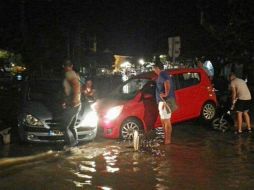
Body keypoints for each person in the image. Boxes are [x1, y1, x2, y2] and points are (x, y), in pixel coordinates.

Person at [153, 60, 176, 144]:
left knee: (166, 121)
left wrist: (166, 94)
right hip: (165, 101)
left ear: (157, 68)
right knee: (164, 121)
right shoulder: (164, 74)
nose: (154, 70)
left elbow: (167, 83)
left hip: (165, 101)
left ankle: (167, 140)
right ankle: (166, 139)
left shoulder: (162, 74)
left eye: (154, 68)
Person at [62, 59, 81, 147]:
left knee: (64, 126)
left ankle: (70, 144)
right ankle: (75, 143)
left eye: (66, 66)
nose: (65, 68)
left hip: (73, 104)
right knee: (72, 126)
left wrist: (74, 99)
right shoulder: (75, 74)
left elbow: (76, 86)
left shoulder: (69, 74)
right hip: (77, 104)